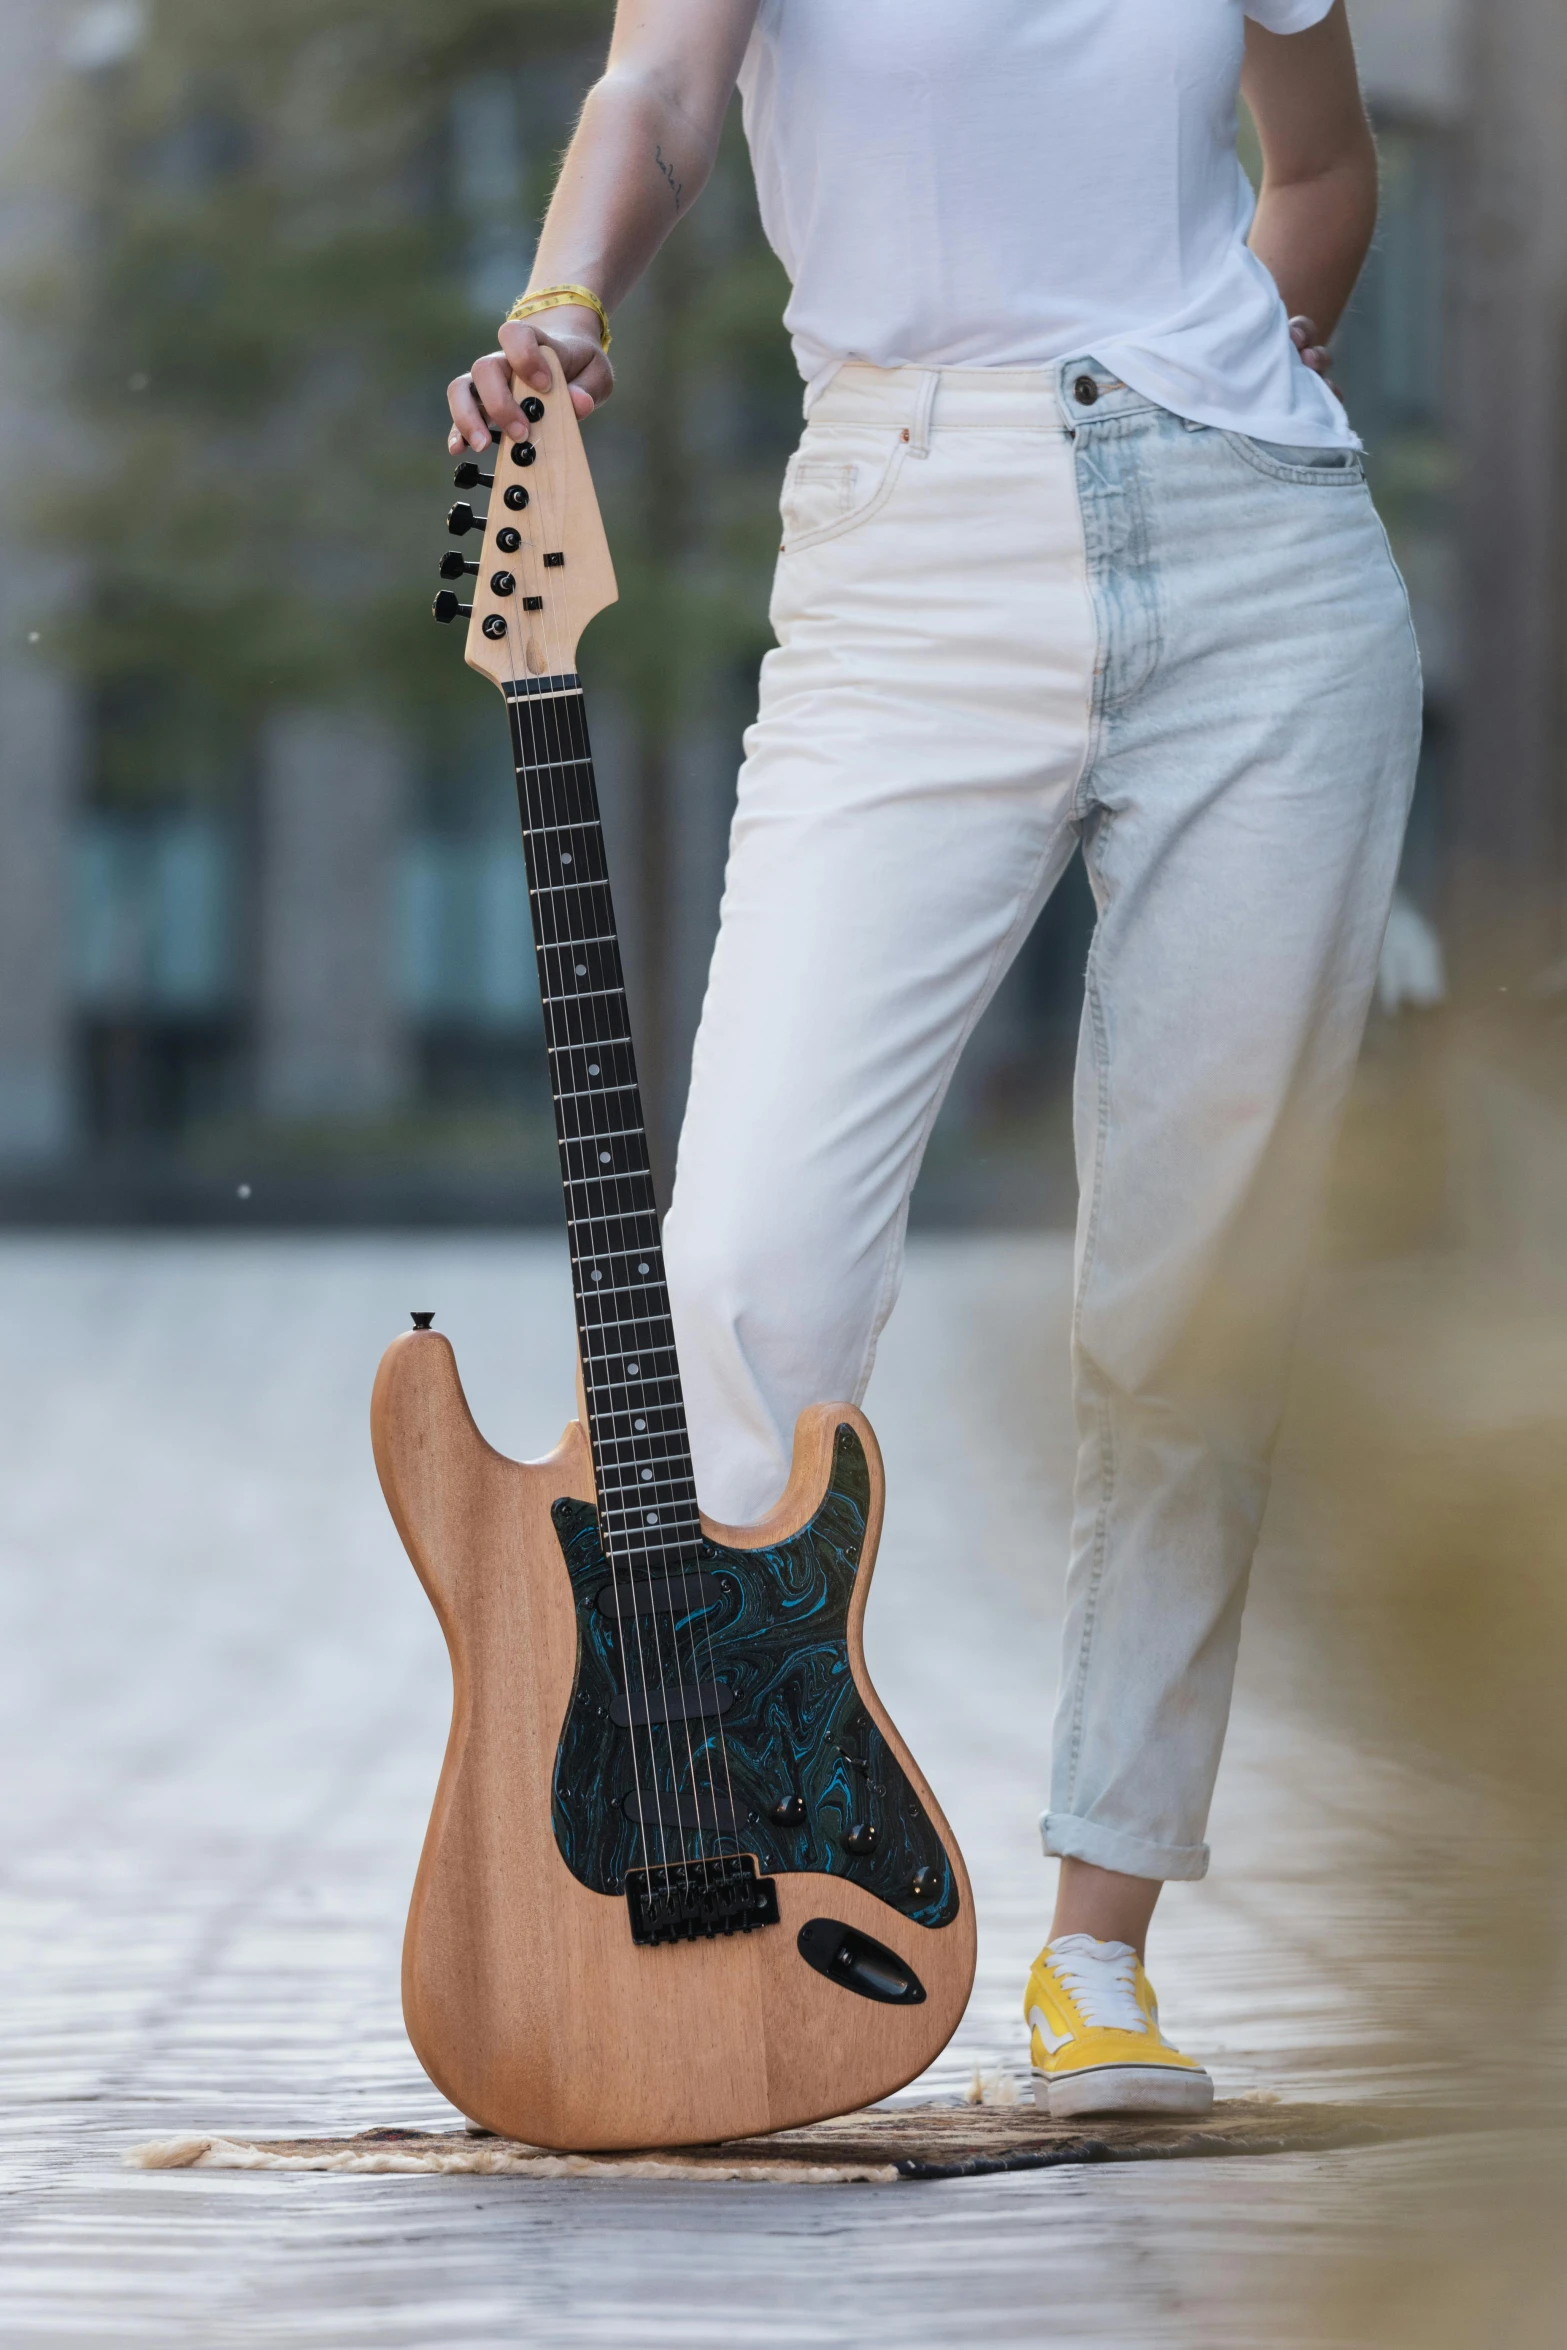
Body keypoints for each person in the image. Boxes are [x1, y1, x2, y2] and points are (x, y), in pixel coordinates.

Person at [448, 0, 1419, 2118]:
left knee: (1192, 1295)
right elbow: (663, 93)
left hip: (1263, 566)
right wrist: (560, 290)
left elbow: (1323, 170)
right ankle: (736, 1879)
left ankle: (1097, 1950)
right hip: (904, 550)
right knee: (742, 1264)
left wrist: (1206, 389)